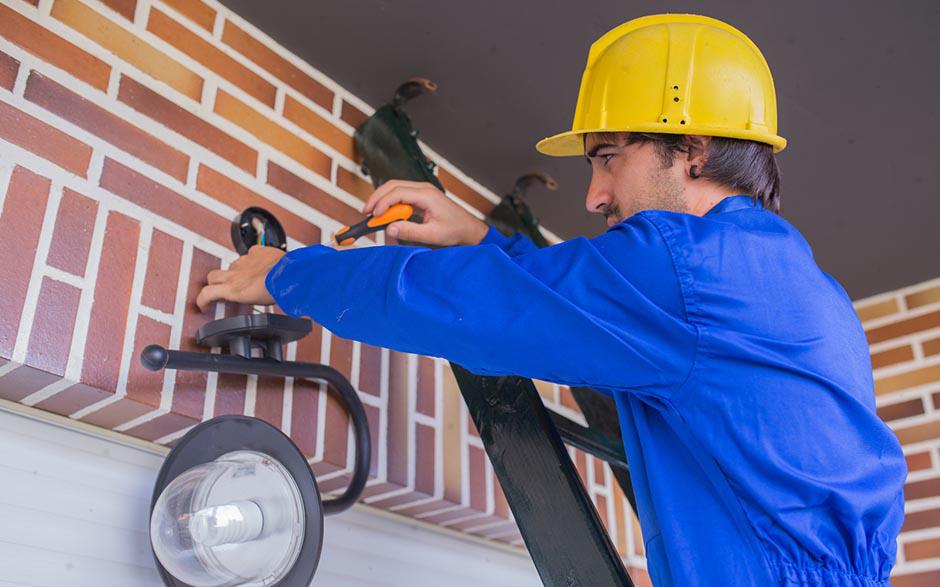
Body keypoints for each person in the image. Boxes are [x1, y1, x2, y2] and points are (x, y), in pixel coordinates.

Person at [196, 14, 906, 587]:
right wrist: (481, 234)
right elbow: (597, 315)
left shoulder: (686, 267)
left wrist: (289, 273)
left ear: (690, 149)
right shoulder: (799, 286)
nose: (595, 195)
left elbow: (470, 305)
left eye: (607, 157)